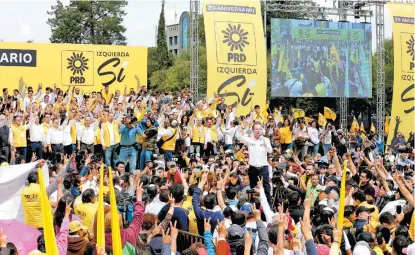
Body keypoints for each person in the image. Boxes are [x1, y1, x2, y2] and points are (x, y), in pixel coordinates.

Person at [236, 121, 273, 204]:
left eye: (260, 129)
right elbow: (238, 137)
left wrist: (265, 143)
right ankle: (255, 206)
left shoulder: (265, 139)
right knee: (253, 189)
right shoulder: (249, 139)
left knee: (266, 188)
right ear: (253, 130)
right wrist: (241, 127)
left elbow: (270, 150)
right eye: (256, 129)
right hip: (253, 168)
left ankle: (269, 207)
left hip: (263, 168)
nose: (258, 131)